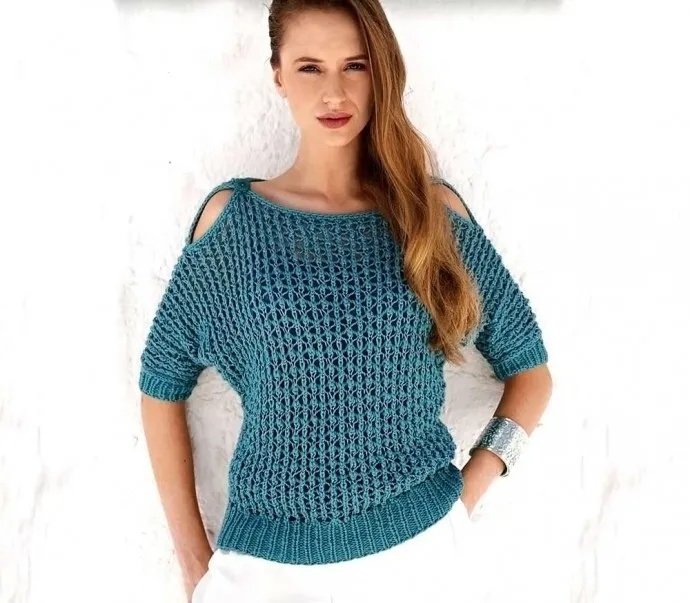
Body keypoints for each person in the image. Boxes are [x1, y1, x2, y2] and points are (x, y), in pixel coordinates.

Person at [138, 1, 553, 602]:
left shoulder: (431, 217)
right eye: (310, 67)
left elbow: (531, 373)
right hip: (264, 571)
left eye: (355, 65)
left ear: (380, 71)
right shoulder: (234, 225)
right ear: (278, 75)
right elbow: (160, 383)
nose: (333, 92)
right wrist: (192, 559)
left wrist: (470, 491)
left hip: (420, 555)